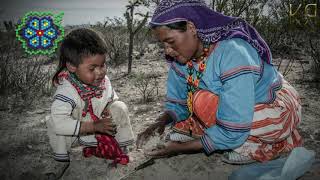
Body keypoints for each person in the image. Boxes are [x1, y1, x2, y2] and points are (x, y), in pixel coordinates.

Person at [136, 0, 302, 165]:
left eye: (171, 42)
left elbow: (234, 127)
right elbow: (178, 103)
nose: (167, 50)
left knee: (203, 103)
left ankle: (261, 147)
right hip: (234, 105)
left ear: (192, 28)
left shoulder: (233, 53)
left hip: (273, 104)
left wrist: (180, 148)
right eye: (162, 44)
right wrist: (158, 123)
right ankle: (211, 131)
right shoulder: (181, 60)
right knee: (197, 100)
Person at [45, 28, 134, 178]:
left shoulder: (103, 81)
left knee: (119, 107)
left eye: (103, 65)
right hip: (73, 126)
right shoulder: (66, 91)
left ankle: (122, 147)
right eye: (92, 68)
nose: (100, 72)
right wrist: (92, 126)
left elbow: (111, 97)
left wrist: (107, 106)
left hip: (97, 122)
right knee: (54, 123)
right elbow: (60, 123)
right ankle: (61, 161)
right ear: (72, 66)